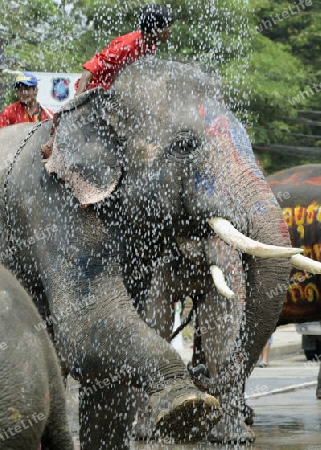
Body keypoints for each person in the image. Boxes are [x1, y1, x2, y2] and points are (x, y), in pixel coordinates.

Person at [75, 3, 174, 96]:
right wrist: (77, 98)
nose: (170, 31)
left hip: (113, 92)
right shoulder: (126, 46)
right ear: (155, 29)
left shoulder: (150, 46)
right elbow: (90, 69)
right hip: (93, 91)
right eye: (167, 27)